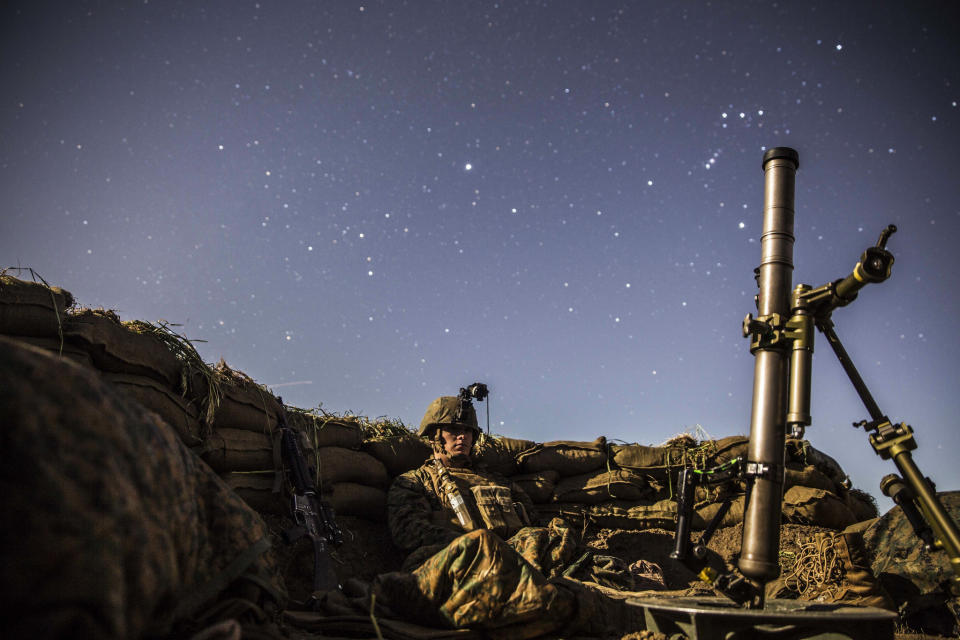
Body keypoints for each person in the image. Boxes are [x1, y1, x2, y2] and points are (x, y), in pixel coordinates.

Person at [366, 393, 649, 638]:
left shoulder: (501, 483)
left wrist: (549, 541)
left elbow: (534, 526)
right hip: (460, 563)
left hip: (523, 561)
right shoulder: (415, 481)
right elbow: (409, 535)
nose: (462, 436)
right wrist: (487, 547)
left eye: (467, 430)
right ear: (435, 435)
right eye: (453, 429)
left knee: (607, 569)